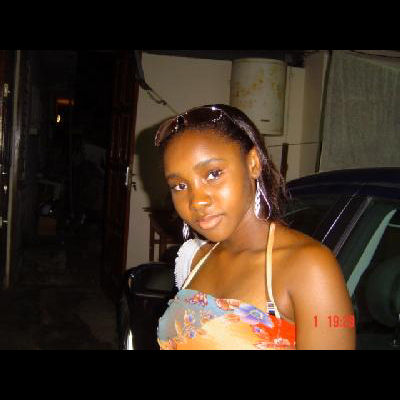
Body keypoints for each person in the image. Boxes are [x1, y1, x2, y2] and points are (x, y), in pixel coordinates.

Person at [155, 104, 355, 350]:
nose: (197, 201)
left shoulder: (308, 266)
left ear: (253, 163)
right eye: (180, 186)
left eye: (213, 174)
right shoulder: (197, 258)